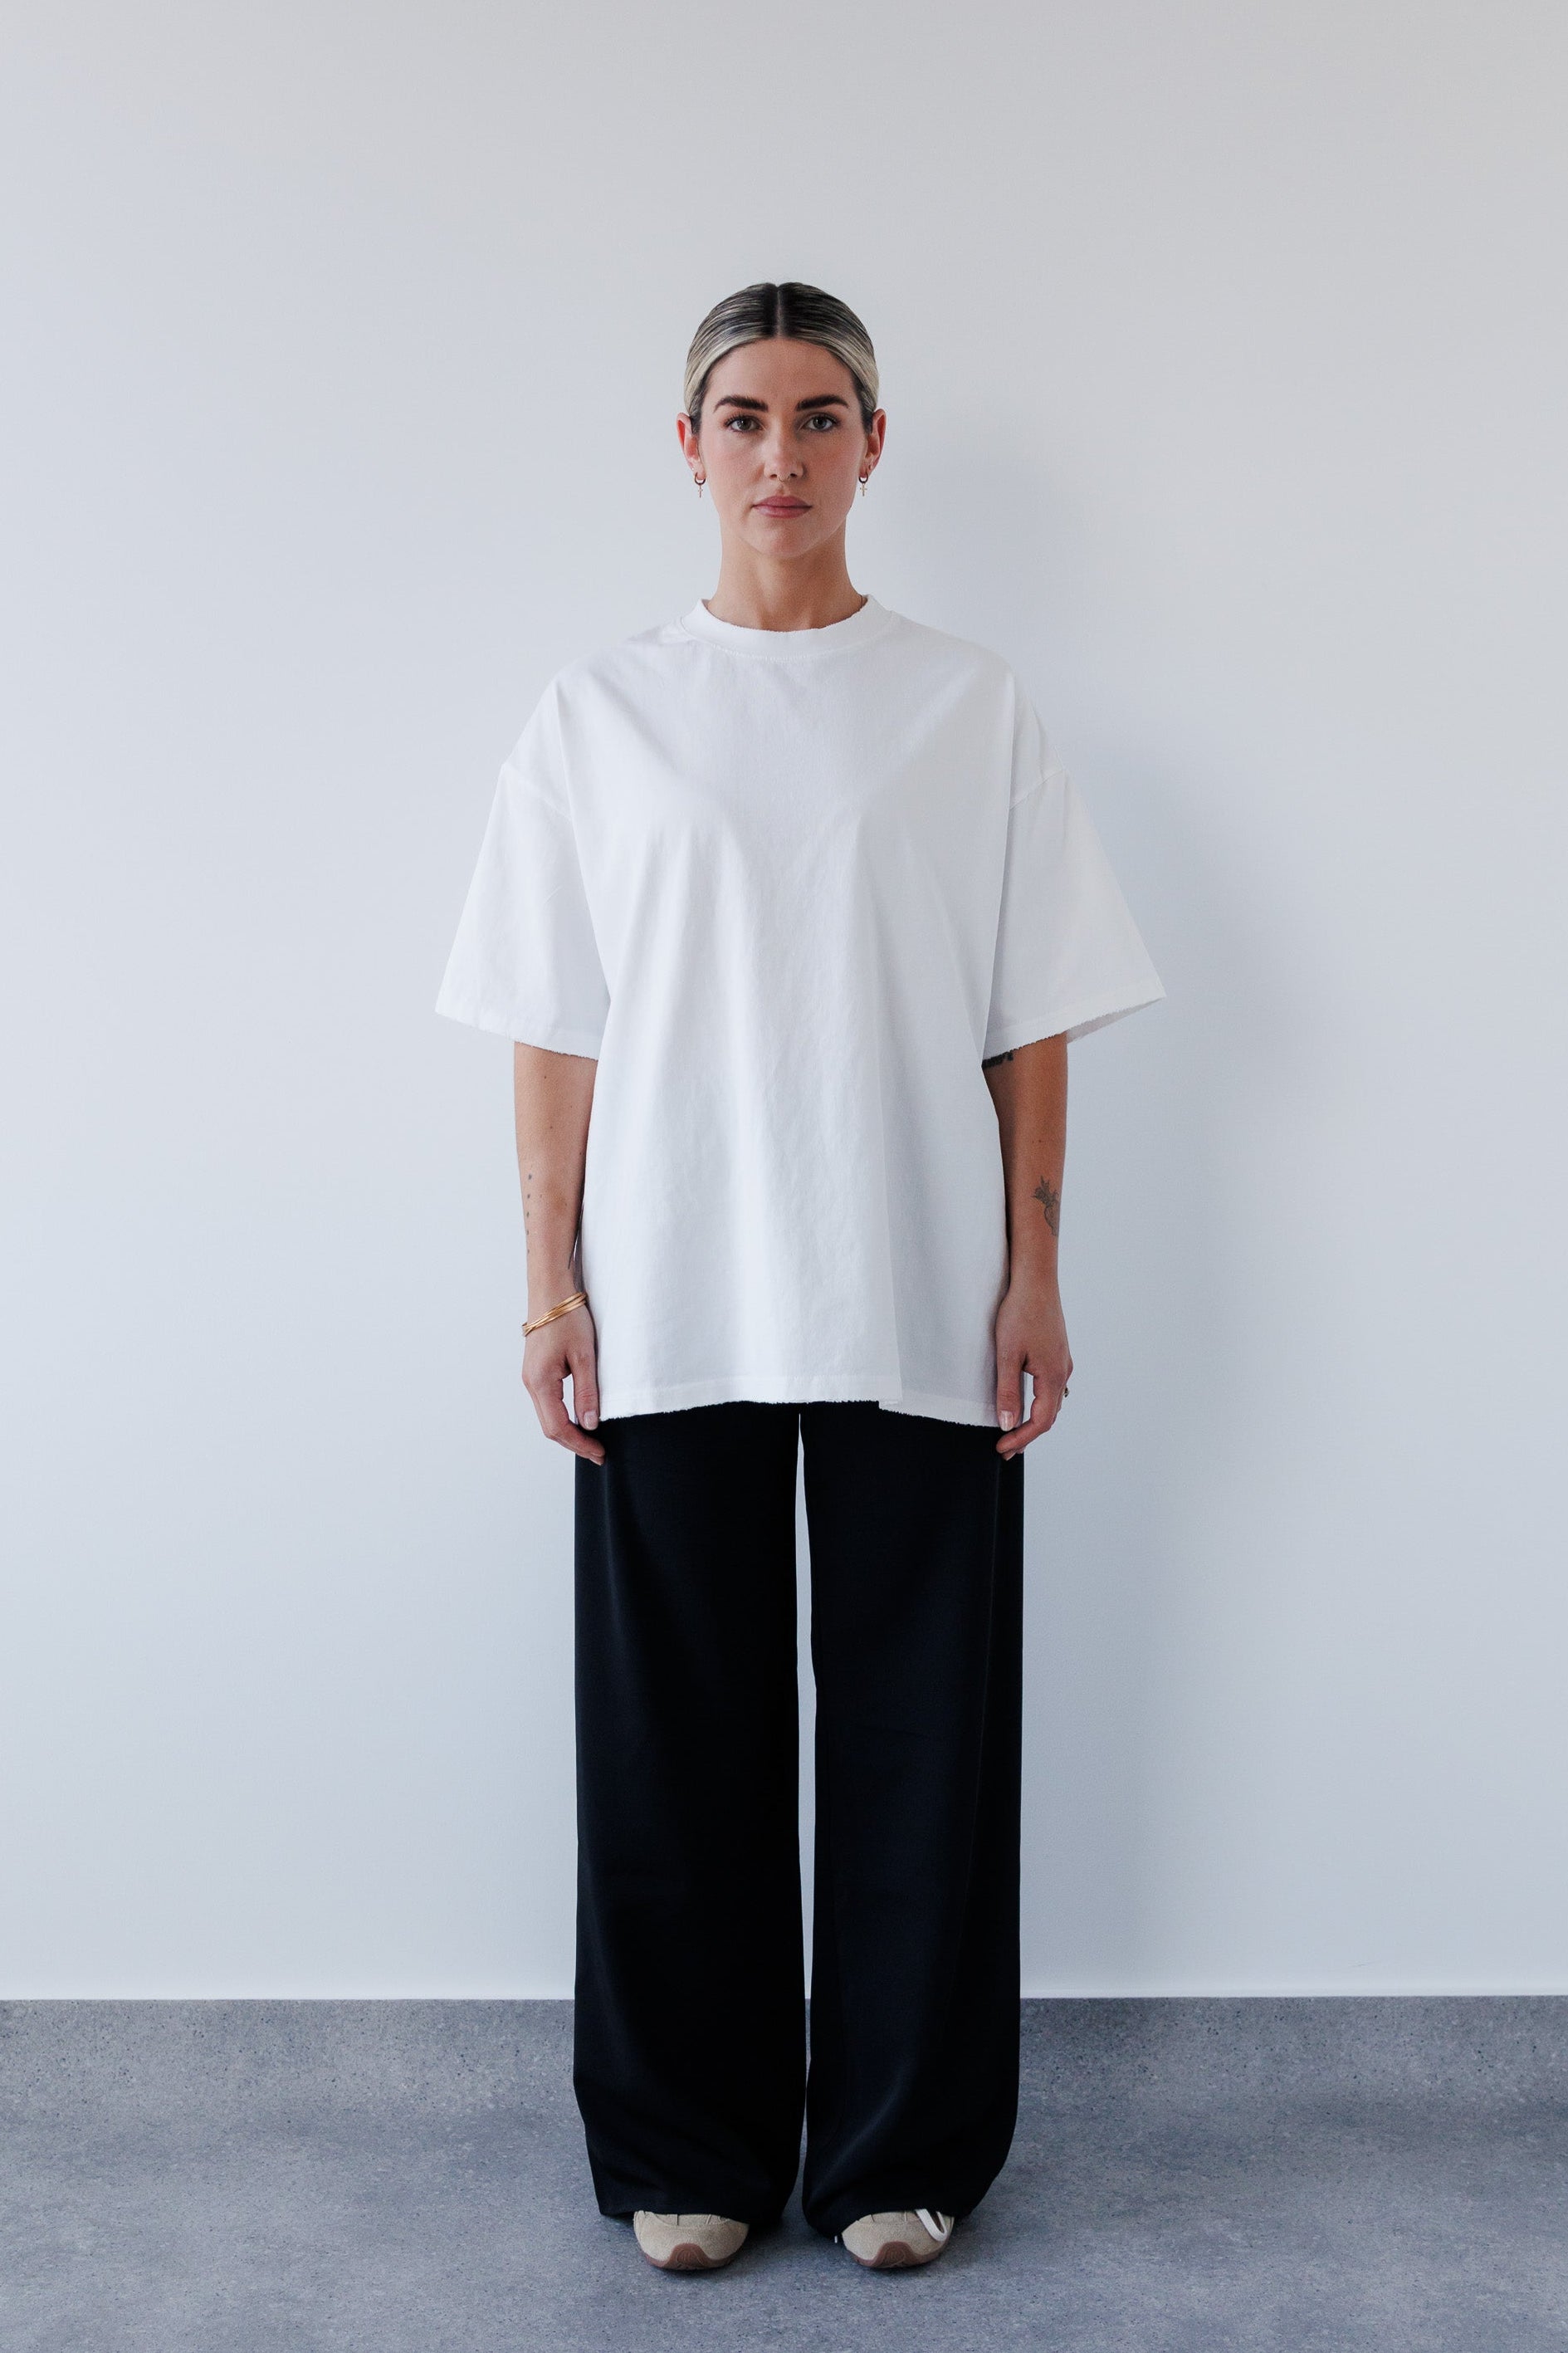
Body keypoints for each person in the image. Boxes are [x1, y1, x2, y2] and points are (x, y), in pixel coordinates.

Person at [436, 281, 1163, 2276]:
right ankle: (692, 2144)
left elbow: (1031, 1012)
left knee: (928, 1737)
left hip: (918, 1279)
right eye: (744, 417)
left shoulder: (967, 705)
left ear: (871, 445)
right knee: (672, 1740)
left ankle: (902, 2150)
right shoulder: (599, 715)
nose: (782, 453)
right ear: (690, 448)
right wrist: (548, 1285)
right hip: (671, 1288)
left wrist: (1035, 1266)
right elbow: (554, 1025)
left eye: (820, 415)